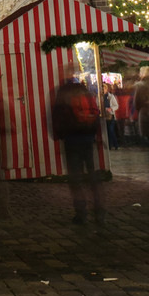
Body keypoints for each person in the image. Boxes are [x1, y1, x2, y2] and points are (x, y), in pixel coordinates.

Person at [51, 75, 105, 225]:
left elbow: (57, 116)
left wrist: (59, 135)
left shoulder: (63, 93)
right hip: (87, 138)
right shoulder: (85, 92)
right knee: (92, 174)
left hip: (72, 139)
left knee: (75, 177)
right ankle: (99, 210)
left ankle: (81, 212)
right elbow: (96, 114)